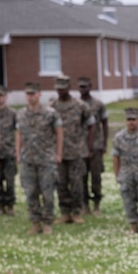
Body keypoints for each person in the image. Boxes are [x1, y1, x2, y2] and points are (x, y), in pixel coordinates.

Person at [16, 81, 63, 235]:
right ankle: (35, 223)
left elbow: (59, 133)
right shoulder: (21, 114)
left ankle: (48, 222)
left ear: (39, 94)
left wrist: (58, 153)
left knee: (48, 193)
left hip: (46, 159)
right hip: (28, 159)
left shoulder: (50, 113)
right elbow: (19, 134)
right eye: (28, 94)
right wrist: (18, 153)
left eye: (33, 94)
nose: (30, 97)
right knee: (30, 193)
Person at [49, 76, 95, 224]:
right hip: (59, 153)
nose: (60, 91)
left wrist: (88, 146)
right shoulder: (52, 107)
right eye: (58, 88)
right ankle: (64, 212)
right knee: (61, 183)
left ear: (68, 88)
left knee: (77, 183)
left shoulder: (80, 106)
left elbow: (92, 125)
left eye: (62, 88)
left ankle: (76, 211)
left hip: (76, 151)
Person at [78, 77, 109, 216]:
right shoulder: (76, 105)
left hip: (96, 146)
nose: (83, 89)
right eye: (80, 87)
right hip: (79, 146)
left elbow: (105, 124)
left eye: (85, 86)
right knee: (81, 177)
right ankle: (85, 205)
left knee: (96, 176)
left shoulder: (98, 104)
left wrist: (104, 143)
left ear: (90, 86)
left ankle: (97, 205)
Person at [0, 85, 18, 216]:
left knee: (10, 181)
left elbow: (18, 132)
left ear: (6, 97)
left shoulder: (13, 114)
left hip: (9, 152)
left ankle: (11, 205)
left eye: (1, 96)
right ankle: (1, 206)